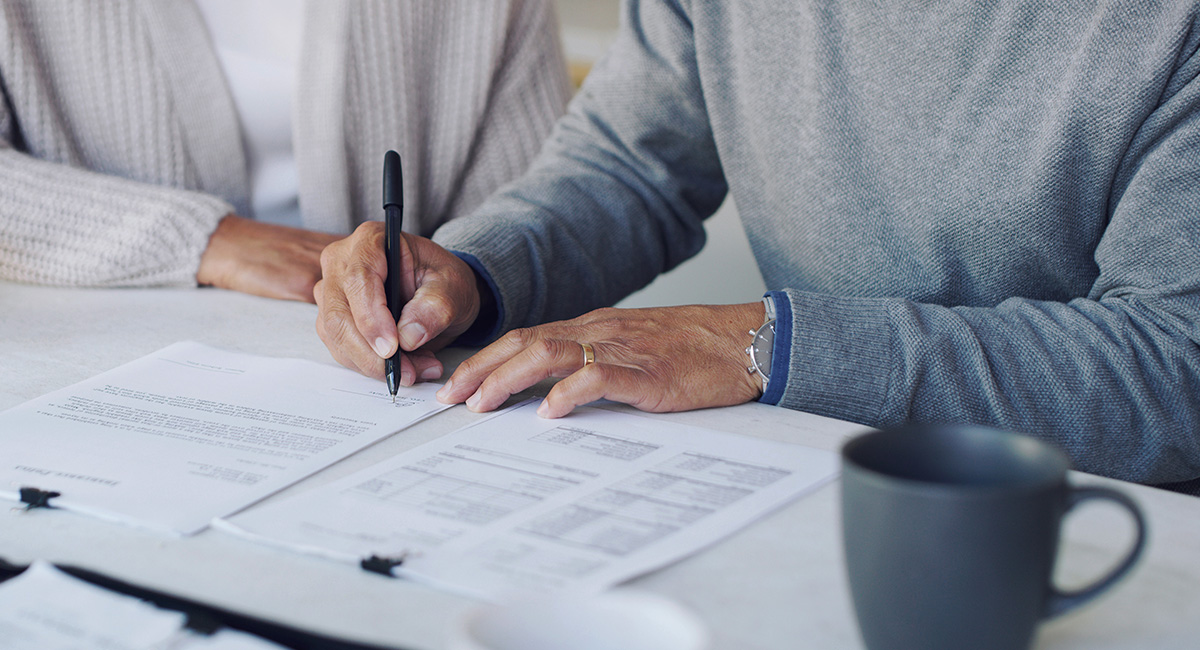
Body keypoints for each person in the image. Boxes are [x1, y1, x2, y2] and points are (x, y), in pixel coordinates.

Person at [314, 1, 1200, 489]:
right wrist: (470, 273)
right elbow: (631, 166)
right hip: (794, 482)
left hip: (1086, 526)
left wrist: (768, 345)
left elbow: (1176, 364)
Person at [0, 0, 569, 302]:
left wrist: (464, 283)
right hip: (88, 355)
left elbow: (541, 202)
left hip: (387, 370)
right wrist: (210, 242)